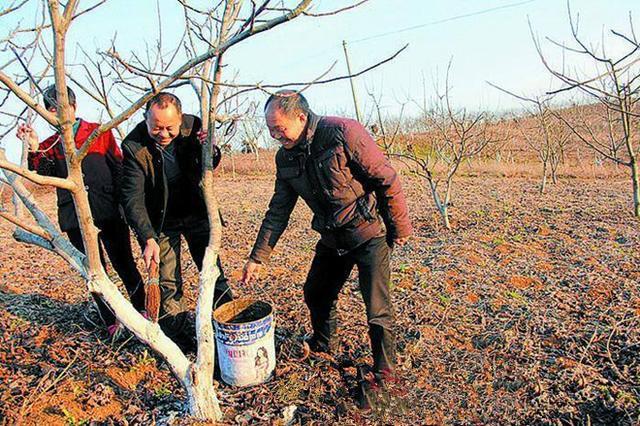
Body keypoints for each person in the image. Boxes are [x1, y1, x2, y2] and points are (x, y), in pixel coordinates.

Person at [241, 90, 412, 409]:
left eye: (280, 128)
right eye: (270, 130)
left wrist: (399, 227)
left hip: (367, 233)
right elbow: (279, 208)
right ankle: (323, 345)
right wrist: (257, 256)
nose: (275, 136)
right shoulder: (285, 157)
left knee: (377, 309)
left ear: (301, 117)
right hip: (332, 238)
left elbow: (386, 178)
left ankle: (385, 373)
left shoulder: (343, 133)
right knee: (316, 292)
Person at [17, 85, 145, 338]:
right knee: (95, 273)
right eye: (51, 109)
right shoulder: (50, 144)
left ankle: (143, 311)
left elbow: (118, 168)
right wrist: (33, 147)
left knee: (124, 263)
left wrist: (124, 207)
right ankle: (111, 320)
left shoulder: (98, 132)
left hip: (108, 212)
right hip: (74, 218)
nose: (57, 113)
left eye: (62, 107)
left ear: (74, 107)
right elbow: (43, 173)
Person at [120, 92, 233, 344]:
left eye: (170, 128)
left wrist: (210, 149)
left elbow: (207, 164)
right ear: (145, 120)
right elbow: (132, 198)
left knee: (212, 272)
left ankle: (228, 326)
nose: (163, 134)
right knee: (169, 282)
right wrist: (147, 236)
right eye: (156, 127)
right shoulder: (133, 146)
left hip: (195, 211)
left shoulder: (194, 127)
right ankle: (178, 339)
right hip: (162, 220)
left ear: (180, 119)